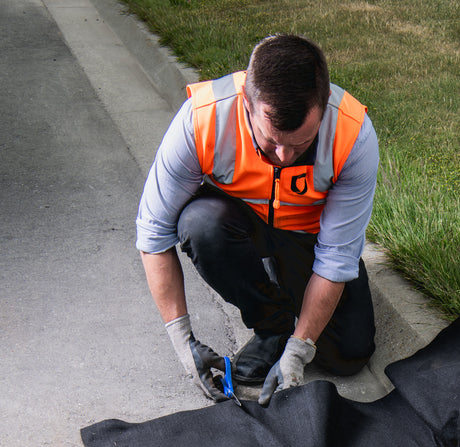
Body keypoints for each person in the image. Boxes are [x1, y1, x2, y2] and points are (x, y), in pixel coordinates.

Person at [136, 34, 378, 406]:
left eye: (300, 143)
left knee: (348, 354)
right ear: (246, 102)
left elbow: (336, 258)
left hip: (307, 236)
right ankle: (272, 325)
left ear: (324, 103)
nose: (284, 156)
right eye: (270, 140)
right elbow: (153, 235)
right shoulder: (203, 119)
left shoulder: (353, 135)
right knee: (200, 224)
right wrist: (184, 344)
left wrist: (300, 350)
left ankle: (288, 288)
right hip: (237, 225)